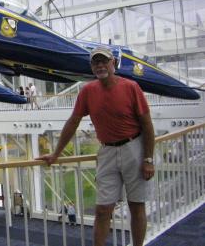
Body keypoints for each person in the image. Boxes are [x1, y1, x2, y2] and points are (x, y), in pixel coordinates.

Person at [36, 46, 155, 246]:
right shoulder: (88, 91)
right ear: (92, 67)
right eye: (95, 62)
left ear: (113, 63)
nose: (100, 65)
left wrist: (148, 159)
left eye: (104, 61)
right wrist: (56, 153)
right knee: (102, 210)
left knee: (136, 206)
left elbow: (147, 125)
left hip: (134, 147)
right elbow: (73, 122)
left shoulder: (131, 87)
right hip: (107, 151)